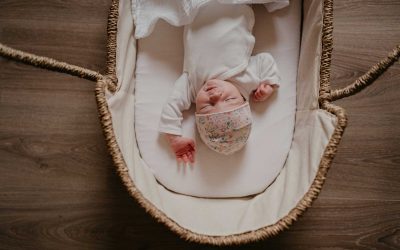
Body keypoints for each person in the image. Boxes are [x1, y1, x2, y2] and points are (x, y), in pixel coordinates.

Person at [158, 2, 280, 163]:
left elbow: (172, 106)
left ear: (198, 113)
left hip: (199, 6)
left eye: (207, 105)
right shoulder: (246, 80)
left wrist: (174, 139)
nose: (215, 95)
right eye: (229, 99)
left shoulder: (192, 87)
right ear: (244, 100)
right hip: (236, 5)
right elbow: (266, 60)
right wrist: (269, 84)